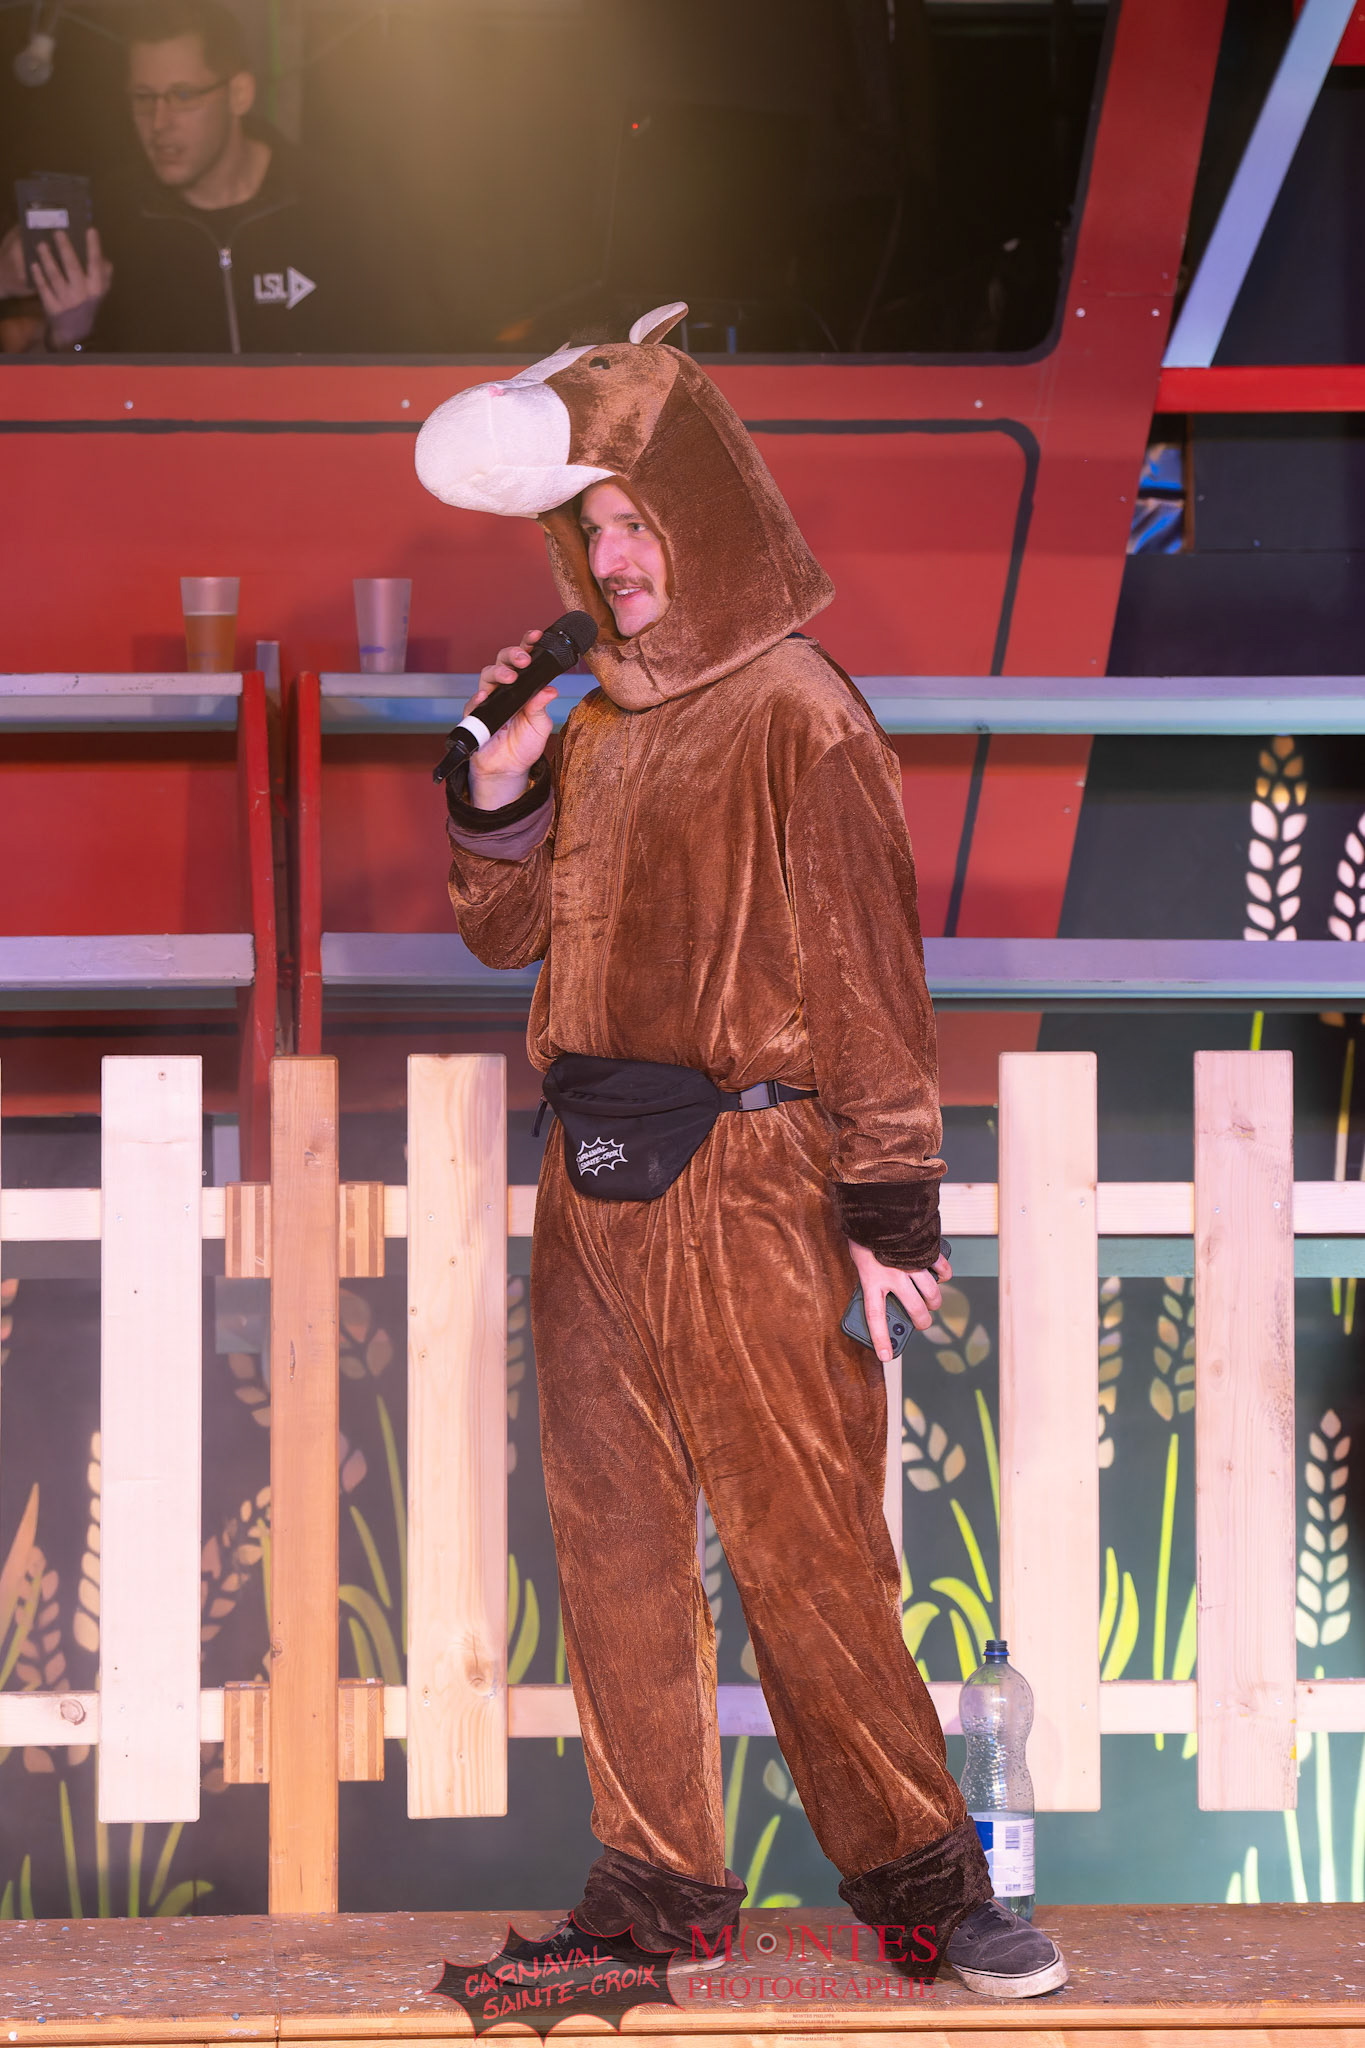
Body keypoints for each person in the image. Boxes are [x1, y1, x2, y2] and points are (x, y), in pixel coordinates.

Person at [414, 303, 1069, 2001]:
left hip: (750, 1178)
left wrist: (888, 1203)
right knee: (617, 1548)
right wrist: (498, 791)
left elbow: (870, 975)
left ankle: (928, 1883)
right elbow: (508, 935)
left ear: (704, 517)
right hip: (590, 1184)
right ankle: (658, 1886)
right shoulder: (595, 723)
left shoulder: (797, 710)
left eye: (640, 521)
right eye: (594, 529)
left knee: (808, 1550)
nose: (617, 558)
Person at [0, 0, 425, 353]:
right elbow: (72, 407)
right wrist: (69, 337)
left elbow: (409, 364)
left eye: (183, 95)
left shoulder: (337, 207)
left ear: (239, 94)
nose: (159, 122)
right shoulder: (109, 223)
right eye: (143, 98)